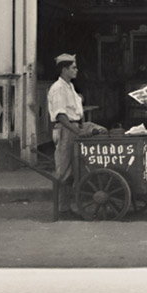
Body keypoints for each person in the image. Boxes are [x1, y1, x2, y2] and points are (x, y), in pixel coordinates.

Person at [47, 53, 105, 215]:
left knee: (100, 133)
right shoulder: (58, 89)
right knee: (64, 170)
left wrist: (83, 127)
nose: (76, 70)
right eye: (73, 68)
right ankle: (62, 209)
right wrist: (77, 131)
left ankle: (66, 206)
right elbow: (61, 115)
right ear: (64, 69)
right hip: (66, 130)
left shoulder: (70, 87)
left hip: (75, 126)